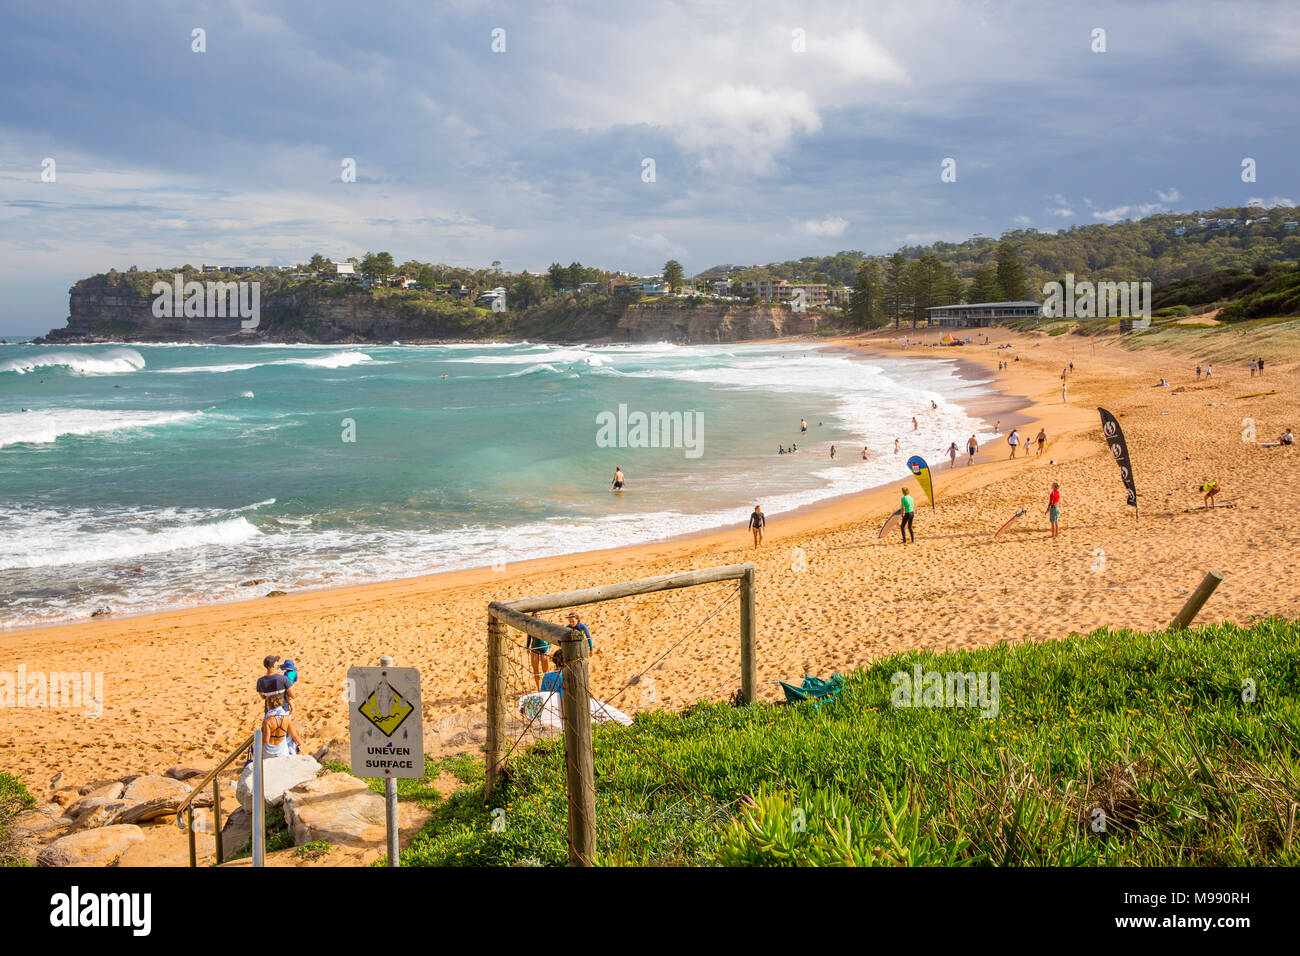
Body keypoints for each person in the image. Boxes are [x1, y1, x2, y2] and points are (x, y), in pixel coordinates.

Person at [261, 693, 303, 759]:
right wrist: (299, 744)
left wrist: (257, 744)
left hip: (268, 752)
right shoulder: (286, 718)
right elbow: (294, 735)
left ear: (269, 705)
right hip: (282, 751)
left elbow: (266, 739)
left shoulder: (267, 721)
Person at [526, 611, 550, 691]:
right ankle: (538, 688)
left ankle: (546, 687)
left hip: (544, 648)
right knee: (535, 670)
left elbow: (550, 637)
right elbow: (529, 637)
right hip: (534, 648)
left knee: (545, 671)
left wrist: (548, 649)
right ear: (533, 617)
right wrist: (527, 647)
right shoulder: (531, 626)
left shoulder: (545, 625)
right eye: (536, 616)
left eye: (539, 615)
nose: (538, 617)